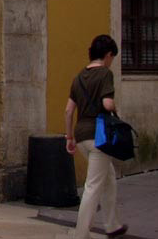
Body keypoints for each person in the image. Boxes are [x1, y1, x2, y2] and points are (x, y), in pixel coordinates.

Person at [64, 34, 128, 239]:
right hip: (99, 137)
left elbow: (68, 111)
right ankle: (81, 234)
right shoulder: (104, 74)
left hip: (81, 135)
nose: (111, 61)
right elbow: (108, 104)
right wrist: (116, 112)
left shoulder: (79, 77)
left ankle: (112, 225)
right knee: (92, 187)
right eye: (112, 57)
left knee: (108, 178)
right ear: (108, 54)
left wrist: (69, 138)